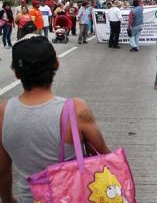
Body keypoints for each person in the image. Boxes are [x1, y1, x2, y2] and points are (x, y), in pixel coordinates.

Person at [0, 35, 110, 203]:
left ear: (16, 73)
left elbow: (3, 170)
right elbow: (104, 156)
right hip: (72, 196)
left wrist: (7, 199)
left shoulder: (3, 112)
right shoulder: (76, 109)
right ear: (56, 64)